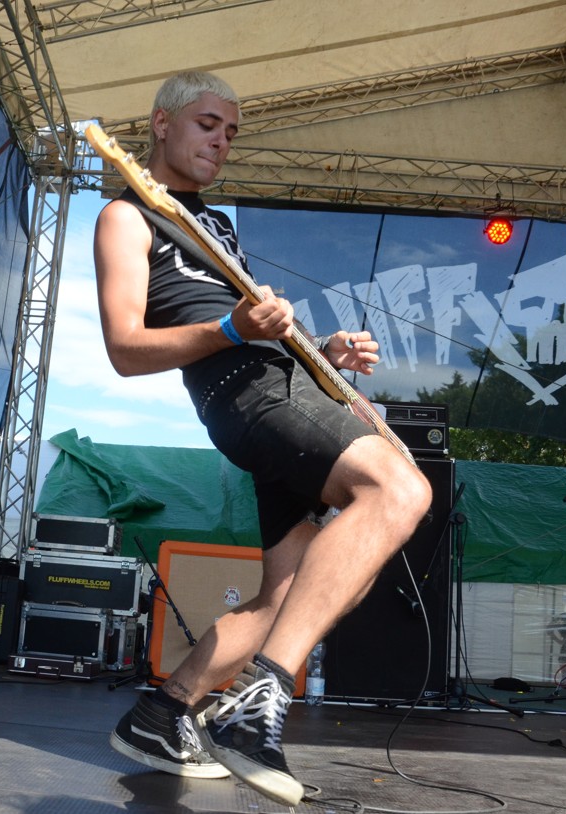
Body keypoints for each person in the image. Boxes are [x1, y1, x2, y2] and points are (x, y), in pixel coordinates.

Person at [98, 71, 432, 807]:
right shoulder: (127, 216)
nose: (221, 141)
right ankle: (259, 703)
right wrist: (230, 329)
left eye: (230, 132)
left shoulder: (215, 225)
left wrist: (322, 351)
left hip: (282, 383)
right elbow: (124, 349)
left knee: (296, 592)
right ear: (160, 123)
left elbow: (254, 326)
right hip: (247, 395)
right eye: (206, 124)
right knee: (399, 490)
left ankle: (163, 715)